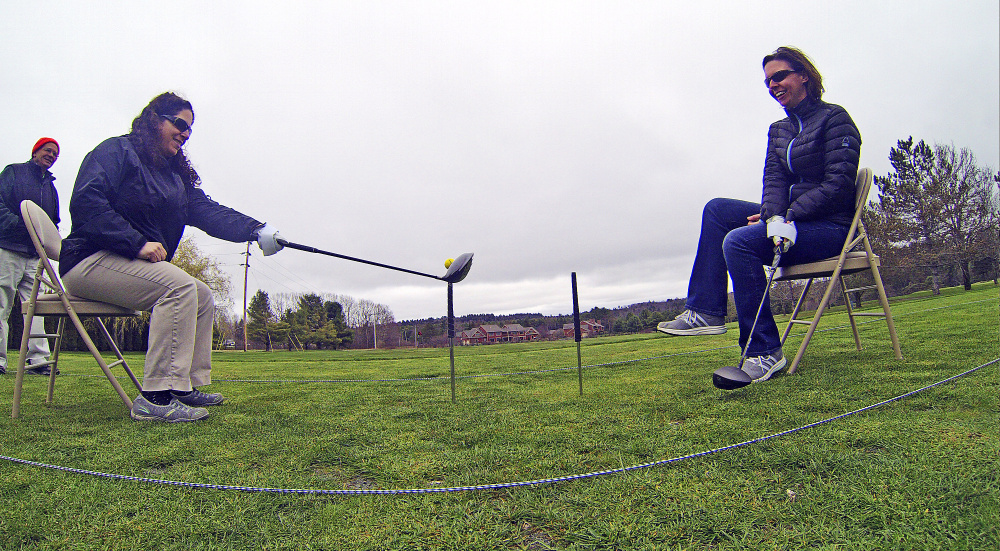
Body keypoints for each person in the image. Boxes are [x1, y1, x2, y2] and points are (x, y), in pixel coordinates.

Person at [60, 92, 285, 422]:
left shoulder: (174, 176)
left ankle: (183, 386)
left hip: (125, 263)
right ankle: (154, 397)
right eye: (180, 124)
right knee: (178, 288)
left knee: (202, 294)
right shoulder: (116, 151)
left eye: (190, 129)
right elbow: (86, 202)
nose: (185, 133)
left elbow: (207, 211)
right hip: (87, 260)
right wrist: (137, 242)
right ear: (154, 119)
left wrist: (258, 229)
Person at [657, 46, 861, 383]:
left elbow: (838, 185)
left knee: (738, 243)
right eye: (768, 81)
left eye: (779, 76)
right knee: (718, 210)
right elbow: (775, 181)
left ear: (804, 75)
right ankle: (707, 311)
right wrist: (771, 216)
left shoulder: (834, 118)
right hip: (792, 222)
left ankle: (764, 352)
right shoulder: (779, 130)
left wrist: (787, 217)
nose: (773, 85)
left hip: (830, 227)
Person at [0, 138, 61, 376]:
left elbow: (52, 222)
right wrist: (21, 226)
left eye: (56, 153)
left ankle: (37, 360)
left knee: (36, 307)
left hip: (36, 256)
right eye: (48, 150)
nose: (52, 155)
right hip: (8, 248)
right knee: (2, 302)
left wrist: (49, 241)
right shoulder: (14, 172)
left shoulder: (51, 188)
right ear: (35, 151)